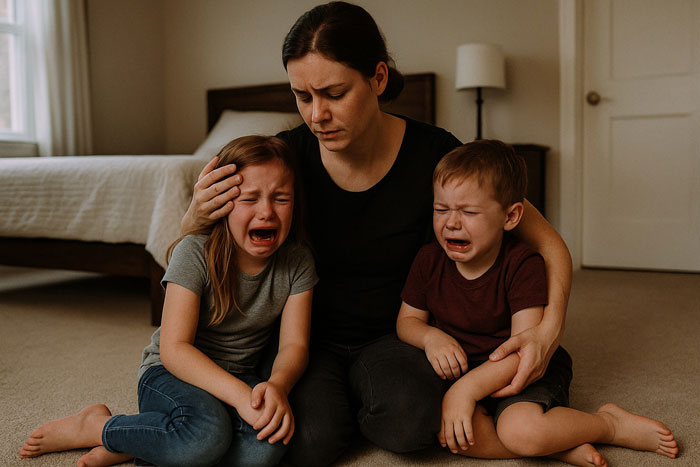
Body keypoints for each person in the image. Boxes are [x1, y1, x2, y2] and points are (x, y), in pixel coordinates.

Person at [181, 3, 573, 465]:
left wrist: (548, 331)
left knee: (413, 425)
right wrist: (194, 215)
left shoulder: (437, 153)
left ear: (379, 79)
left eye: (333, 93)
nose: (317, 115)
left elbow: (548, 243)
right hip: (306, 340)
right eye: (303, 97)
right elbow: (190, 250)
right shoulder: (282, 162)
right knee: (304, 443)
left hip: (397, 334)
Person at [19, 135, 318, 467]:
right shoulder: (195, 252)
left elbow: (294, 346)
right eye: (249, 198)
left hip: (238, 375)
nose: (266, 212)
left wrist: (277, 385)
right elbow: (174, 349)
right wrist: (240, 397)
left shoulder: (298, 261)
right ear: (222, 201)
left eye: (281, 198)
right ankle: (97, 426)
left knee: (265, 449)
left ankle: (145, 442)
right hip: (169, 374)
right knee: (207, 436)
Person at [397, 140, 679, 467]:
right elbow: (407, 321)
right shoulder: (428, 260)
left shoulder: (523, 264)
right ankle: (559, 447)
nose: (451, 222)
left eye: (469, 212)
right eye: (441, 209)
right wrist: (430, 337)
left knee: (522, 430)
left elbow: (524, 350)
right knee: (451, 433)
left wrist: (465, 391)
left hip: (519, 372)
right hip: (463, 375)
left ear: (512, 215)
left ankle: (609, 425)